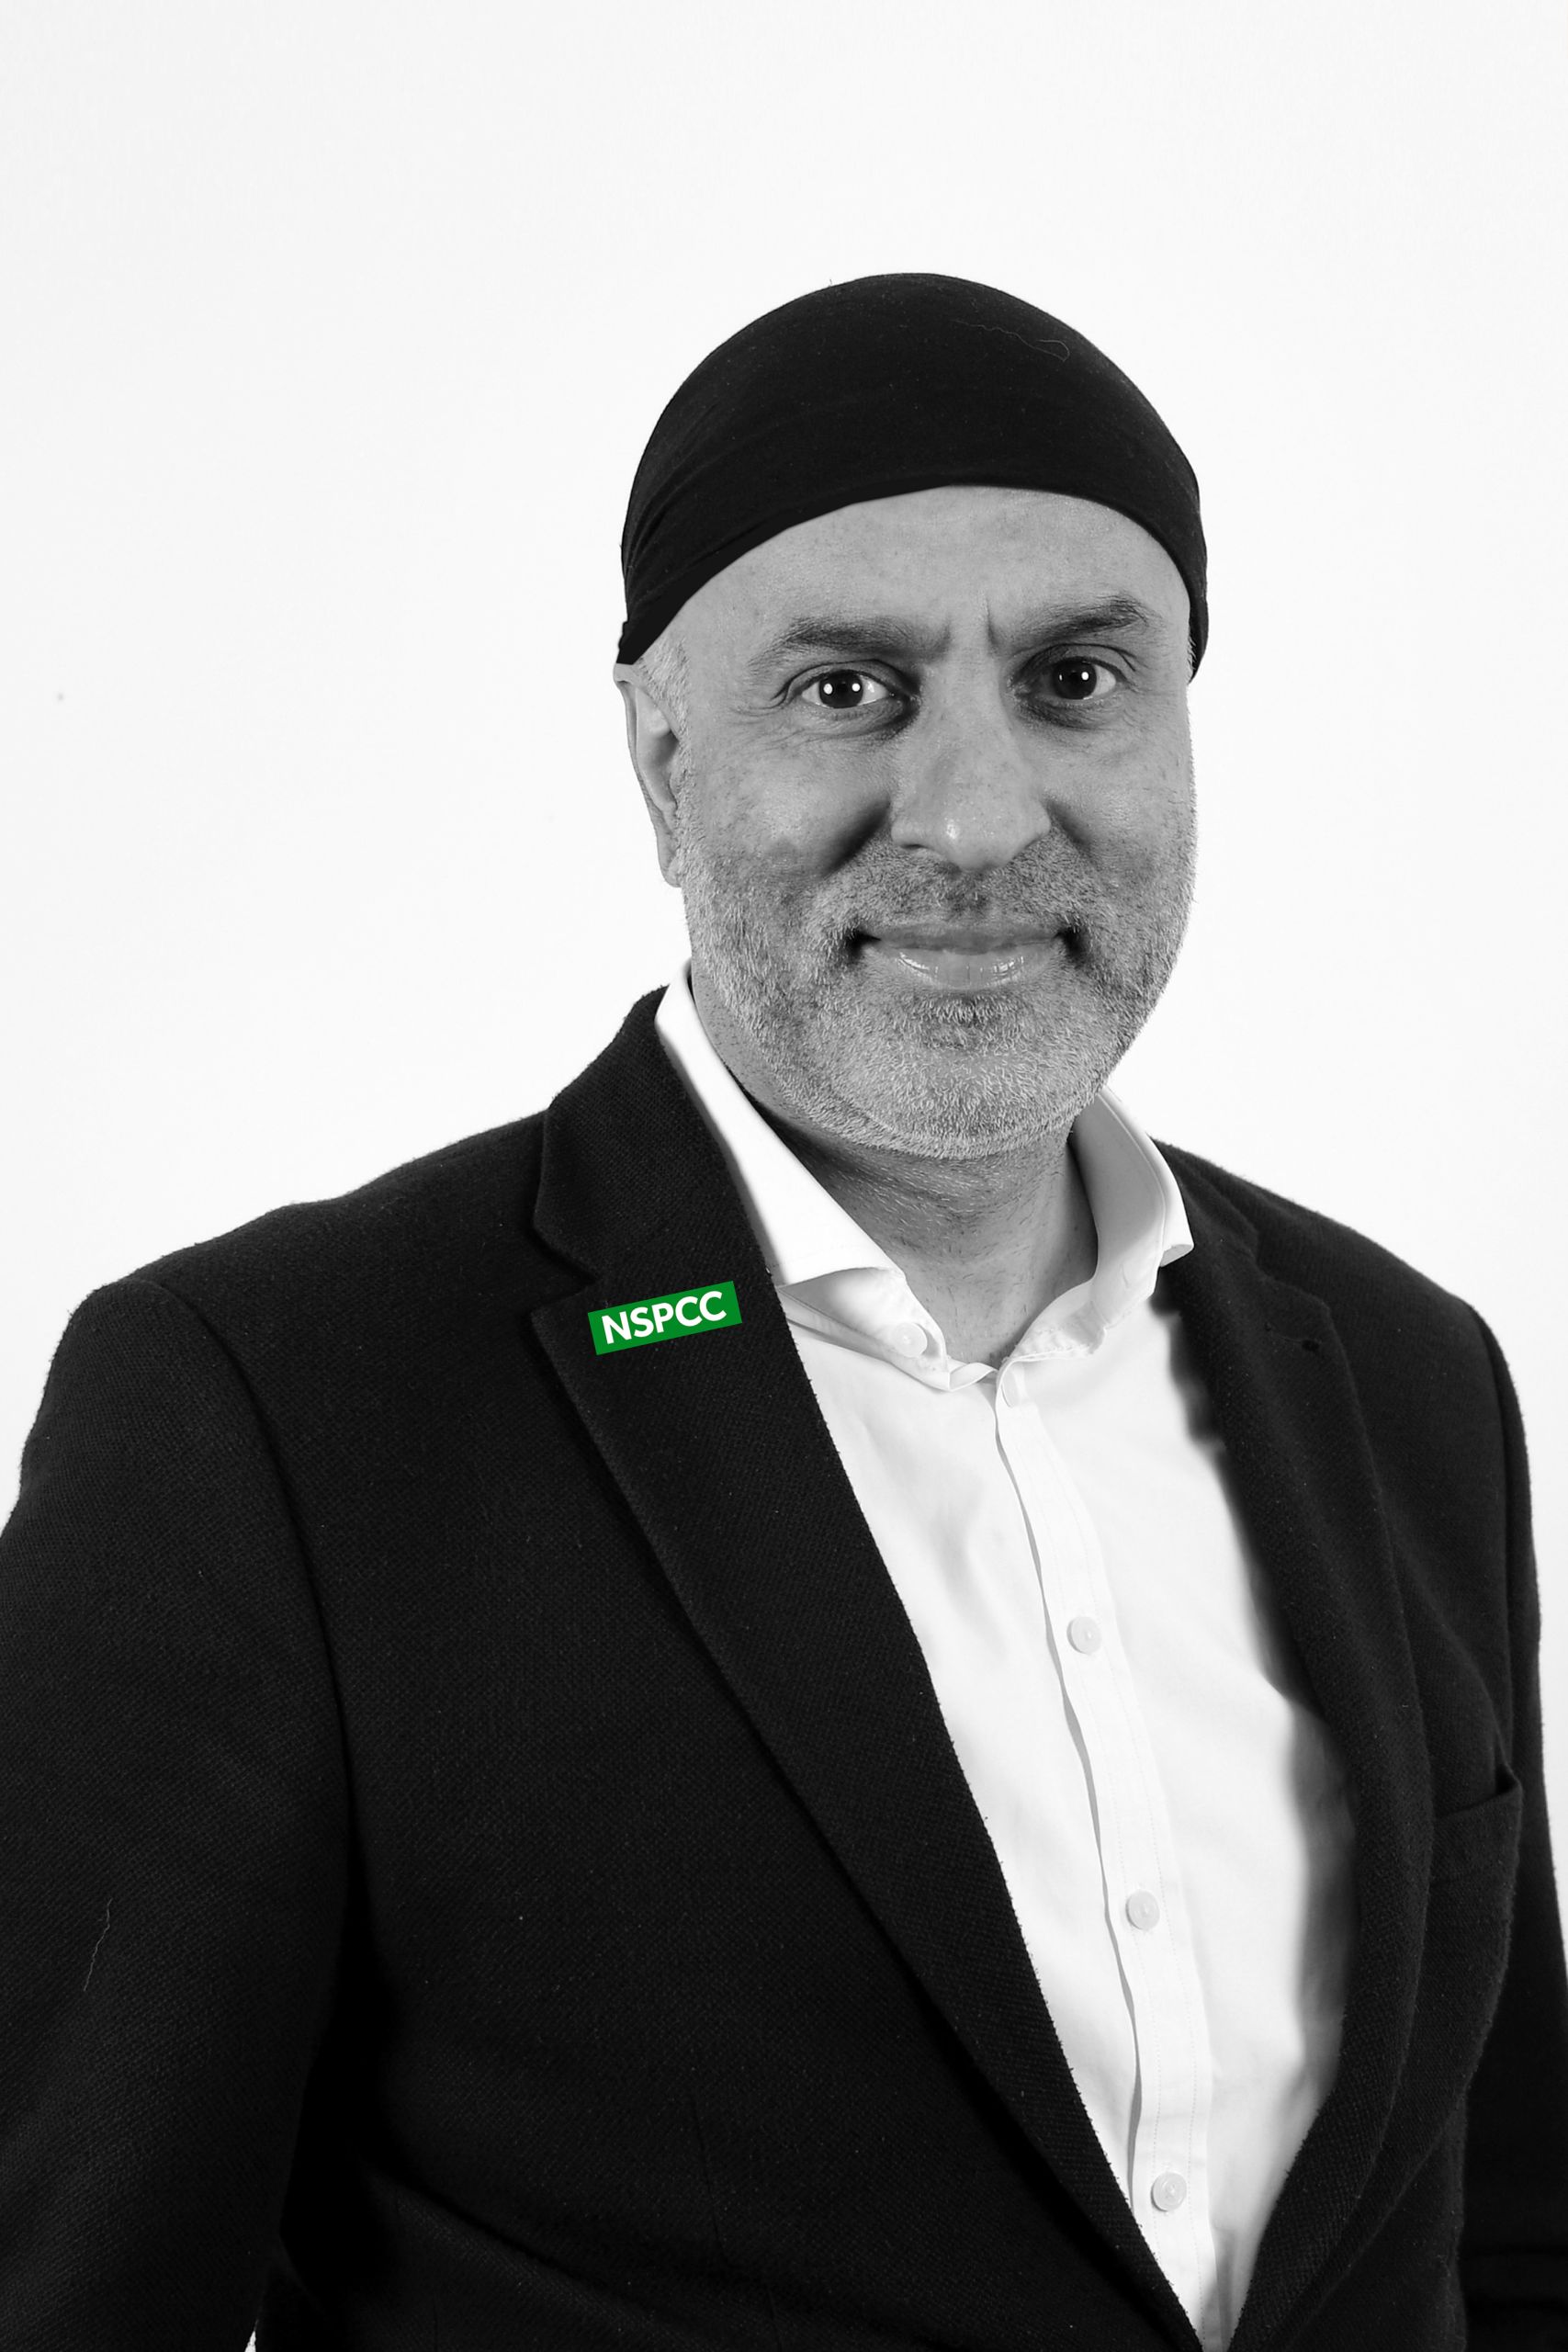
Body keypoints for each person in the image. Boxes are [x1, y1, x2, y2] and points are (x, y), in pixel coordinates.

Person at [2, 273, 1563, 2352]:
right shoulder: (272, 1414)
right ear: (661, 761)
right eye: (845, 689)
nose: (977, 816)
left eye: (1077, 678)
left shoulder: (1407, 1372)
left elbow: (1504, 2229)